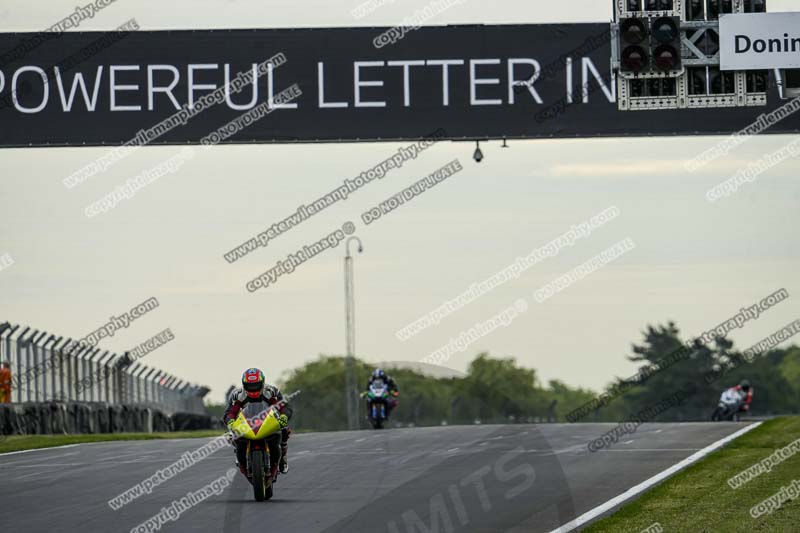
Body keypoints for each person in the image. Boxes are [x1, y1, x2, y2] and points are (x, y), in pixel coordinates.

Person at [223, 368, 292, 479]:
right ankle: (240, 457)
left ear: (262, 383)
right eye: (250, 386)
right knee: (233, 435)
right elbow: (230, 412)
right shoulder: (237, 395)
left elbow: (285, 407)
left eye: (256, 385)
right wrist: (230, 421)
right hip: (246, 422)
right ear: (244, 384)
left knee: (284, 429)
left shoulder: (271, 391)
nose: (253, 389)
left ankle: (282, 457)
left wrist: (284, 416)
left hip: (268, 420)